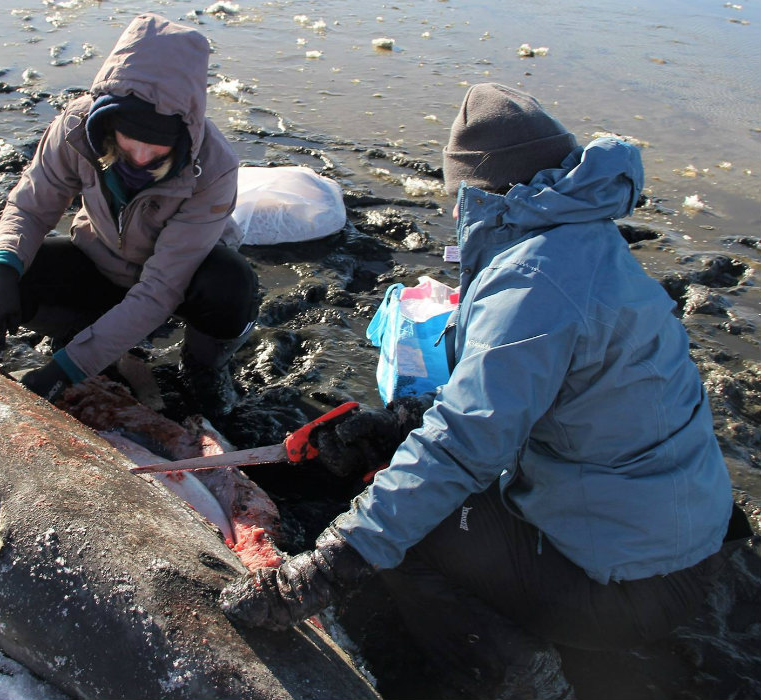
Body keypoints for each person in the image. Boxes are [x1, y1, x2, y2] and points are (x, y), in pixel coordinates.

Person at [220, 83, 748, 697]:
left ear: (480, 190)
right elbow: (533, 400)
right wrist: (402, 424)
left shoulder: (532, 278)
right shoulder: (586, 239)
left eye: (455, 193)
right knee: (413, 478)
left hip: (632, 588)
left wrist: (321, 573)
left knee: (409, 530)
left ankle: (512, 670)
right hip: (677, 537)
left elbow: (465, 445)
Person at [0, 13, 258, 419]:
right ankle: (82, 332)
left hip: (180, 283)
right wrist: (3, 270)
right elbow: (30, 205)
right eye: (132, 143)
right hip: (100, 262)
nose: (144, 159)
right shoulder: (75, 127)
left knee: (232, 284)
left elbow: (162, 287)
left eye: (160, 148)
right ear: (107, 121)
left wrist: (64, 371)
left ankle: (204, 364)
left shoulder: (214, 166)